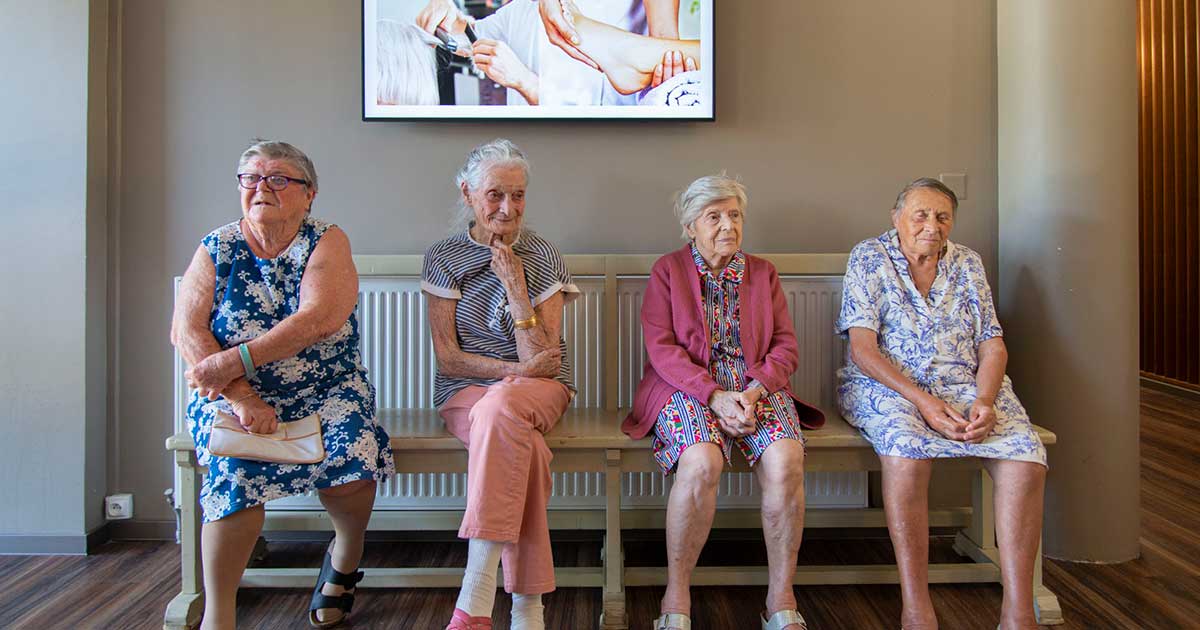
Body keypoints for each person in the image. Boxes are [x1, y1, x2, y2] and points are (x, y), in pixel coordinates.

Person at [171, 140, 394, 629]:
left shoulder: (326, 240)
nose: (260, 188)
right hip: (235, 394)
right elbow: (186, 330)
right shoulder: (216, 246)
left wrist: (236, 359)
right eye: (250, 178)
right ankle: (218, 613)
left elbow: (318, 319)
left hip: (328, 385)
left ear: (309, 193)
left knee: (353, 452)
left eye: (277, 178)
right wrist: (242, 394)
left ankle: (345, 556)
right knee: (233, 471)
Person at [836, 178, 1048, 630]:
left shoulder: (968, 263)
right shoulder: (869, 258)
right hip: (887, 388)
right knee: (908, 456)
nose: (931, 225)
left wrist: (986, 401)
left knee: (1026, 457)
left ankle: (1019, 609)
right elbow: (863, 350)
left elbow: (992, 344)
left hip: (965, 385)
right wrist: (925, 402)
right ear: (896, 218)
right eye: (920, 215)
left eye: (942, 216)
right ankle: (917, 606)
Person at [622, 175, 824, 630]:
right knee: (701, 464)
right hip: (688, 386)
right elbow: (662, 348)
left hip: (756, 387)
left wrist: (752, 392)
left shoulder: (763, 272)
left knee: (787, 458)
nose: (727, 226)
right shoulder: (667, 271)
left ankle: (781, 598)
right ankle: (676, 598)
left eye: (734, 215)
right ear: (691, 225)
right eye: (714, 217)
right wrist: (713, 395)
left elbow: (785, 347)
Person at [421, 139, 579, 630]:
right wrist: (509, 374)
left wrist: (516, 287)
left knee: (502, 409)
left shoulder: (542, 254)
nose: (508, 208)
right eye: (494, 194)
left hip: (541, 390)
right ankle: (528, 611)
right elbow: (448, 356)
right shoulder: (444, 257)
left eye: (518, 195)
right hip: (467, 389)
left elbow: (546, 362)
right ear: (468, 193)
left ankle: (475, 598)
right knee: (522, 448)